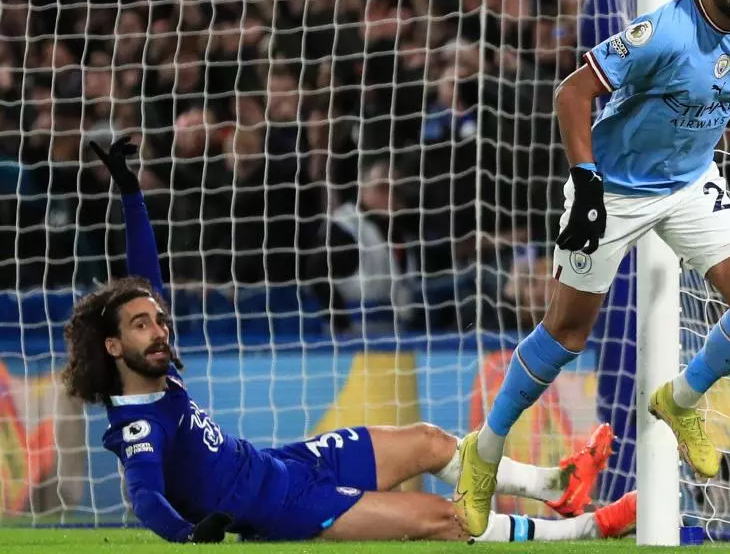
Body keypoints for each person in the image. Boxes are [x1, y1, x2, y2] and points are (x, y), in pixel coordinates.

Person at [63, 137, 636, 543]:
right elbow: (145, 499)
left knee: (430, 441)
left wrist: (132, 197)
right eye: (143, 326)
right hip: (288, 509)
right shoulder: (138, 424)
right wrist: (190, 537)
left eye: (159, 320)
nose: (160, 330)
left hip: (284, 464)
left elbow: (146, 281)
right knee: (445, 518)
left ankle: (557, 485)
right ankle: (589, 527)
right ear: (113, 347)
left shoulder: (162, 376)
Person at [454, 0, 730, 535]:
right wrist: (585, 185)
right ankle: (485, 451)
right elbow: (571, 94)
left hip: (689, 183)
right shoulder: (660, 34)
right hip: (615, 189)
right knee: (566, 334)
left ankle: (679, 400)